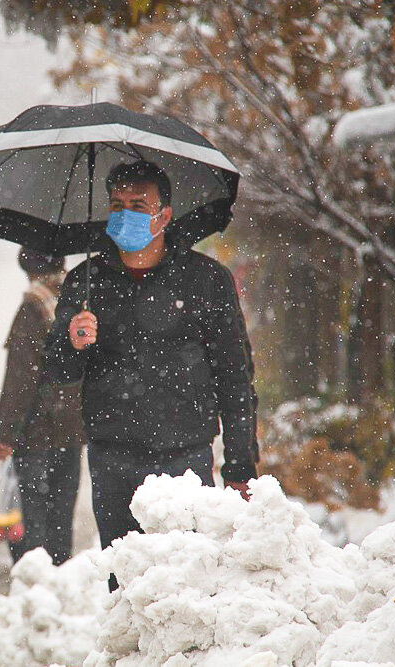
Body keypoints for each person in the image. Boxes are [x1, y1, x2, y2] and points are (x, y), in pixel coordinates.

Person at [43, 160, 259, 590]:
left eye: (139, 205)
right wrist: (73, 341)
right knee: (126, 585)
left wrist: (240, 462)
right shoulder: (86, 282)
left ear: (164, 215)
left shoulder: (205, 281)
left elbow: (234, 376)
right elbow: (57, 371)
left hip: (186, 456)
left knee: (187, 584)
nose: (126, 215)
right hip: (112, 457)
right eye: (117, 205)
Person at [0, 248, 87, 566]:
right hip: (72, 428)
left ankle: (34, 585)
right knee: (61, 515)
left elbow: (21, 378)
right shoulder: (78, 303)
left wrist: (4, 435)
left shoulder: (33, 306)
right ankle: (61, 580)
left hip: (36, 432)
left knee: (32, 520)